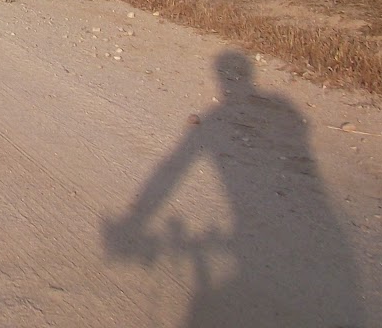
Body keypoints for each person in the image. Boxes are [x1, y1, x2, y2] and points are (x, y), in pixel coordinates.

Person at [102, 51, 363, 327]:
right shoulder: (282, 106)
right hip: (334, 243)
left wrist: (134, 222)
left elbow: (174, 167)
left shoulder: (215, 117)